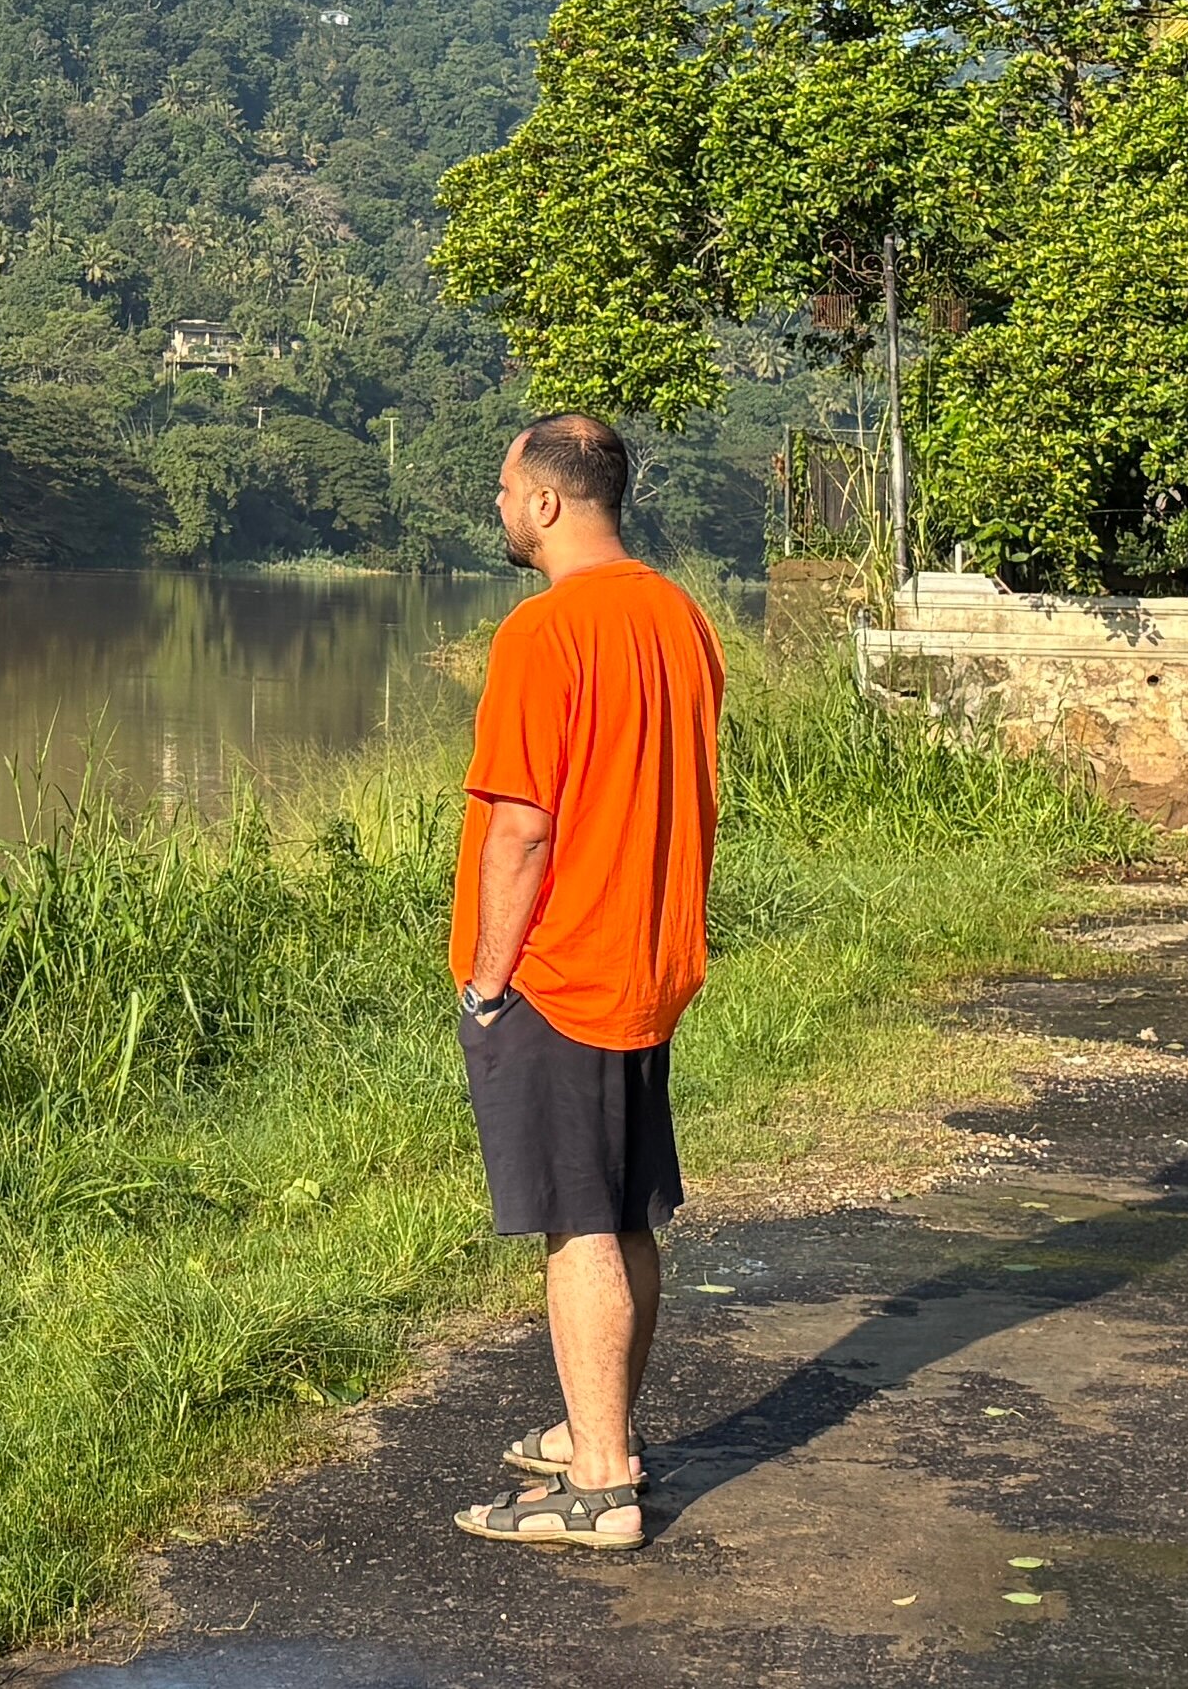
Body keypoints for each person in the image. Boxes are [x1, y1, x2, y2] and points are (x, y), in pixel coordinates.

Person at [448, 411, 724, 1552]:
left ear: (549, 502)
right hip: (647, 961)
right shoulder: (680, 617)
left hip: (559, 972)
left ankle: (600, 1484)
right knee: (622, 1210)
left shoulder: (542, 633)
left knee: (579, 1228)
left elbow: (522, 826)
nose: (502, 508)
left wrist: (488, 980)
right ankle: (590, 1426)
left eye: (507, 490)